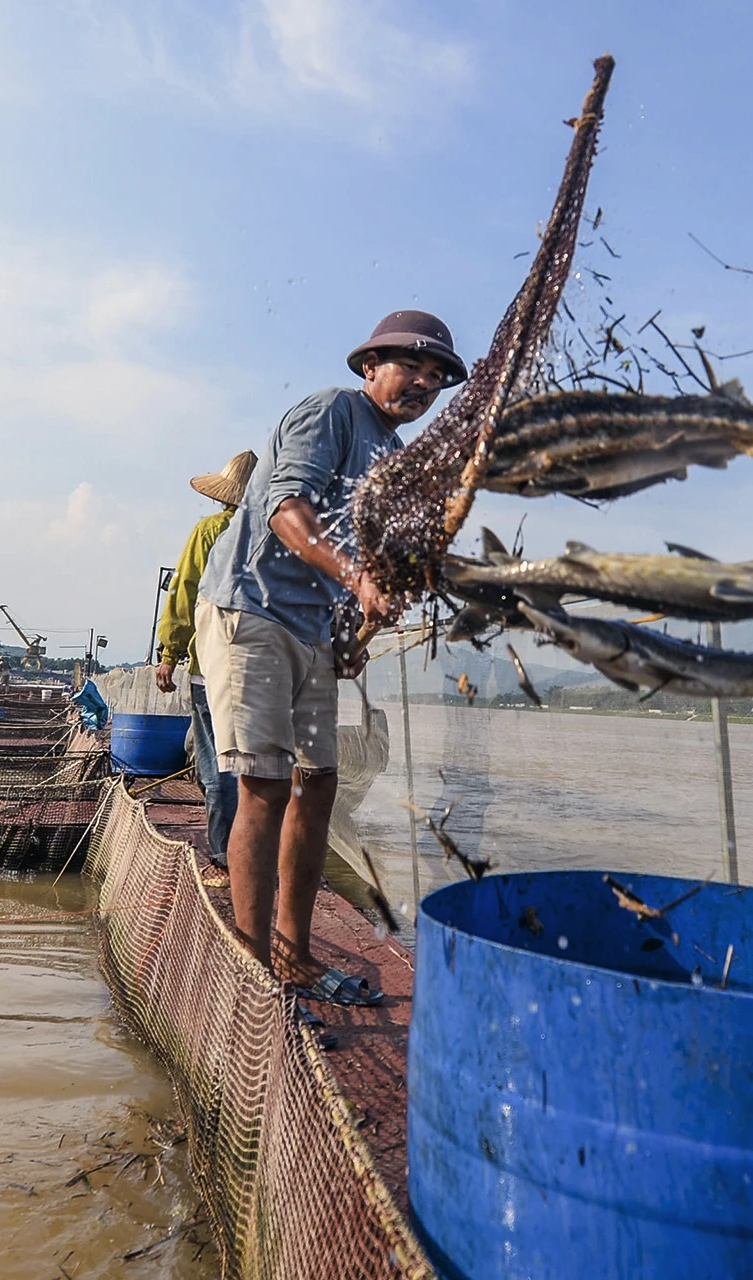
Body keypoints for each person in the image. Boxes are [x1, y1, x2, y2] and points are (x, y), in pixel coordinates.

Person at [194, 310, 466, 1004]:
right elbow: (287, 507)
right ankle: (254, 968)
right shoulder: (331, 414)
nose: (424, 383)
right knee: (263, 783)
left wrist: (361, 610)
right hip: (252, 611)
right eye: (412, 366)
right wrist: (358, 578)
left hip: (314, 627)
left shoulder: (394, 458)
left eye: (437, 378)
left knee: (317, 784)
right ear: (370, 365)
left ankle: (294, 954)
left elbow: (375, 552)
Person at [156, 449, 258, 869]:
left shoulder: (208, 532)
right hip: (261, 666)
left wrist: (169, 654)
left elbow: (184, 594)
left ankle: (222, 852)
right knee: (253, 763)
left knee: (217, 765)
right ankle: (254, 851)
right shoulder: (273, 535)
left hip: (210, 665)